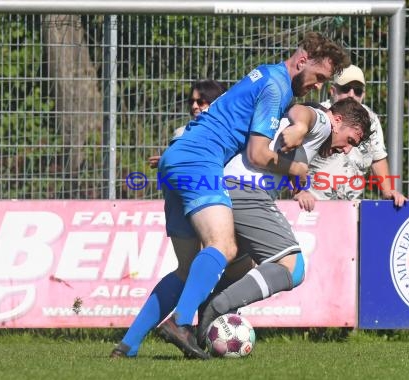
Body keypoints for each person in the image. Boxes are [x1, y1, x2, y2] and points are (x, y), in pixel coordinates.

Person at [112, 32, 350, 360]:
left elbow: (297, 116)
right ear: (301, 61)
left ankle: (128, 345)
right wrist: (296, 171)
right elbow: (256, 154)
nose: (318, 86)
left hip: (176, 158)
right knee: (224, 247)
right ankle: (181, 323)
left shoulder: (268, 74)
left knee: (185, 269)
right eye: (318, 77)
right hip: (201, 160)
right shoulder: (276, 86)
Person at [294, 64, 407, 212]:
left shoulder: (371, 120)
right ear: (333, 90)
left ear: (364, 94)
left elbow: (378, 158)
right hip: (311, 204)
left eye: (358, 90)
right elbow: (293, 156)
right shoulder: (319, 115)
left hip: (351, 208)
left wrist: (388, 191)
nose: (352, 94)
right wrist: (298, 191)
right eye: (345, 89)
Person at [147, 79, 227, 168]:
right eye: (191, 101)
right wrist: (167, 161)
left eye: (200, 102)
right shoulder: (180, 133)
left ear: (215, 103)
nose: (194, 106)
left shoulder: (230, 134)